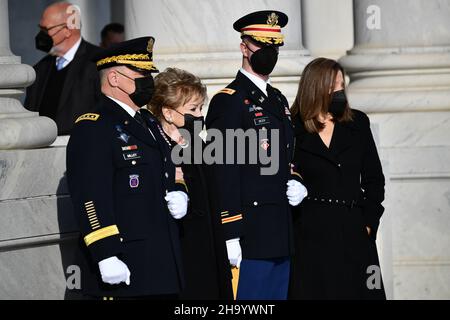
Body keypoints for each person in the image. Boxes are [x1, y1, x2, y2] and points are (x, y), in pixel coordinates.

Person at [66, 37, 189, 299]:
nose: (148, 80)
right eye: (140, 73)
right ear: (114, 78)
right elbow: (90, 195)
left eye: (148, 73)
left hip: (163, 257)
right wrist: (105, 252)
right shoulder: (94, 127)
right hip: (128, 258)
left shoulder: (148, 122)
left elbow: (169, 167)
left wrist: (180, 190)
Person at [205, 10, 308, 300]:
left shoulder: (277, 99)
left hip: (279, 229)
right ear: (244, 47)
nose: (269, 53)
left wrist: (297, 178)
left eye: (274, 47)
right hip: (249, 232)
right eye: (262, 46)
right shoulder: (229, 101)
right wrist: (230, 232)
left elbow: (288, 153)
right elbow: (223, 169)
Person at [289, 57, 386, 300]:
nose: (339, 91)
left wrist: (368, 224)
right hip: (311, 236)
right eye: (333, 86)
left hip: (354, 231)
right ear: (316, 87)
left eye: (342, 84)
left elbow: (374, 179)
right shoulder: (293, 128)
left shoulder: (357, 123)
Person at [149, 67, 234, 300]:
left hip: (209, 246)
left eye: (200, 108)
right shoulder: (155, 149)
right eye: (192, 109)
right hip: (180, 251)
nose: (199, 116)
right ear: (167, 112)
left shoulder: (200, 148)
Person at [25, 1, 102, 135]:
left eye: (45, 29)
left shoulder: (98, 63)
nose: (40, 35)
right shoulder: (39, 69)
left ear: (67, 31)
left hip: (82, 148)